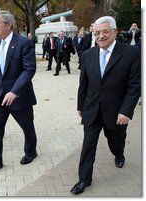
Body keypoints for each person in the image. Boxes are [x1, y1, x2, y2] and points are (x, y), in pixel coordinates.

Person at [70, 16, 141, 195]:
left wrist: (126, 111)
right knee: (88, 145)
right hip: (91, 109)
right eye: (97, 33)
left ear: (115, 32)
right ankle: (84, 179)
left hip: (117, 112)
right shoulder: (88, 55)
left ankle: (119, 154)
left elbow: (134, 86)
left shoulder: (132, 53)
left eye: (105, 32)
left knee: (115, 142)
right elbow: (83, 83)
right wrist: (80, 105)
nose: (100, 36)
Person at [0, 10, 37, 174]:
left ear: (8, 25)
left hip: (19, 97)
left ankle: (31, 152)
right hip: (0, 97)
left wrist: (14, 91)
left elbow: (29, 70)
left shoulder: (24, 43)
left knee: (27, 127)